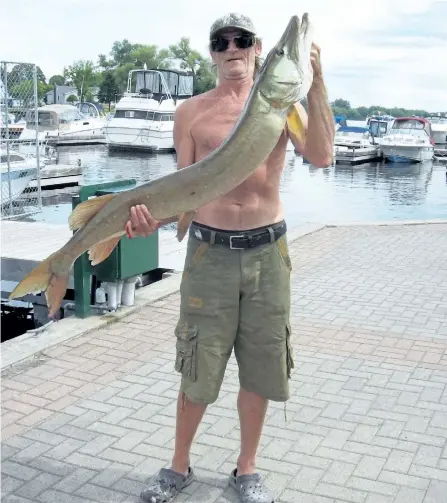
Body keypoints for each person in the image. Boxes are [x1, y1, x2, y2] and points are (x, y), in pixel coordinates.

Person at [126, 12, 335, 503]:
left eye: (242, 40)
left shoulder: (283, 105)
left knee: (262, 364)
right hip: (210, 253)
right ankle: (178, 466)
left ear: (258, 48)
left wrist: (318, 82)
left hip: (268, 252)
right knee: (197, 362)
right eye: (222, 42)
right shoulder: (191, 113)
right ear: (212, 52)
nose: (232, 48)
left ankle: (247, 469)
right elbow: (183, 187)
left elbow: (323, 157)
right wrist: (147, 218)